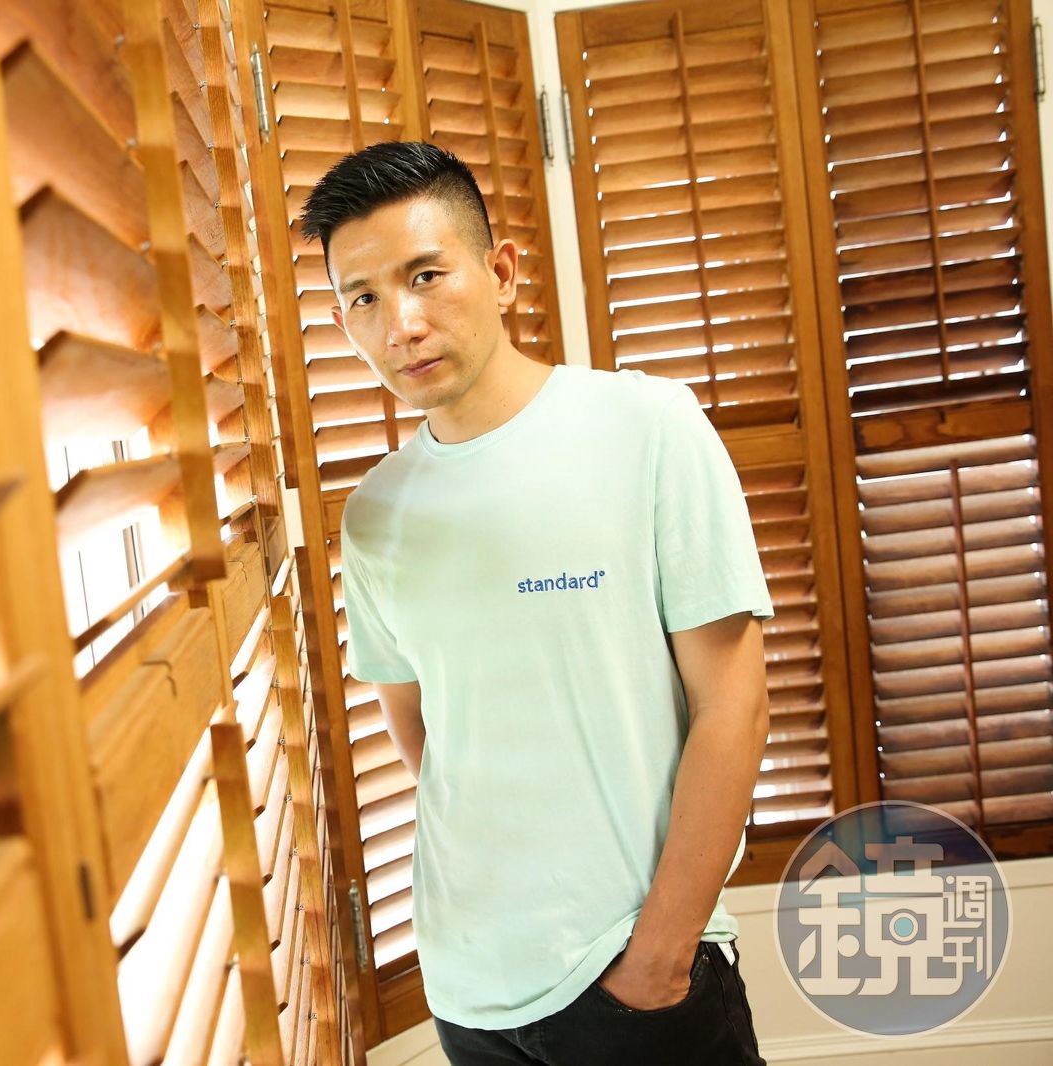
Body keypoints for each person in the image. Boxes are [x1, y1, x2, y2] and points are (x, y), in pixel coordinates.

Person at [301, 141, 772, 1065]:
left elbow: (735, 705)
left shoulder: (647, 427)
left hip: (633, 980)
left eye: (425, 275)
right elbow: (428, 743)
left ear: (502, 272)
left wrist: (661, 957)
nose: (401, 323)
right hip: (468, 994)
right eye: (363, 298)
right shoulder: (375, 516)